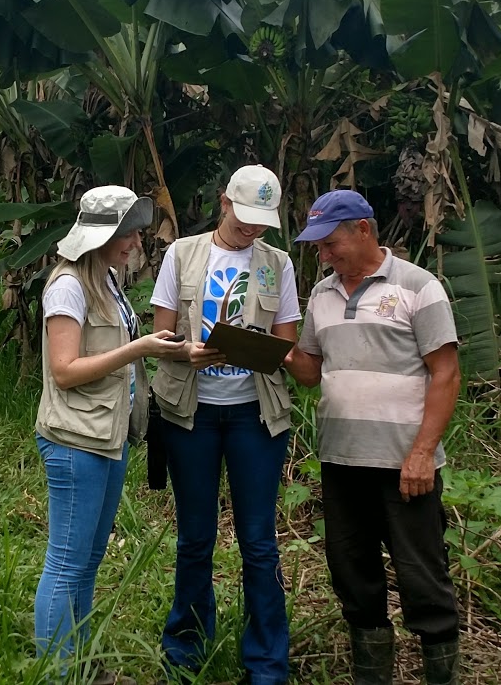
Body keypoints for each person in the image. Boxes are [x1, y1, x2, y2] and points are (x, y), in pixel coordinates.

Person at [283, 190, 463, 685]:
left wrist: (423, 452)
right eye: (317, 247)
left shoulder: (418, 286)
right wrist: (268, 347)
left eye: (331, 243)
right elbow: (310, 373)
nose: (324, 255)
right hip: (341, 460)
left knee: (422, 575)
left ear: (364, 229)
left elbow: (445, 374)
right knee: (352, 575)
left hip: (405, 462)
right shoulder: (322, 294)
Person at [150, 165, 303, 685]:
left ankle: (266, 664)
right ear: (224, 203)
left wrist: (261, 348)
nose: (253, 230)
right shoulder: (183, 253)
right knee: (195, 538)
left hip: (254, 416)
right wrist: (185, 351)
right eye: (245, 218)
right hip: (191, 413)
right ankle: (185, 650)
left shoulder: (277, 264)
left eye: (263, 222)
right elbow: (161, 334)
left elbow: (285, 342)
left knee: (259, 541)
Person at [35, 185, 191, 685]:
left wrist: (166, 350)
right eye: (129, 232)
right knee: (65, 562)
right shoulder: (68, 287)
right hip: (75, 439)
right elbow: (64, 370)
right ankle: (60, 673)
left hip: (108, 435)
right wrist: (139, 349)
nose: (136, 241)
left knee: (88, 558)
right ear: (103, 234)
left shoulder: (106, 279)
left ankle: (81, 664)